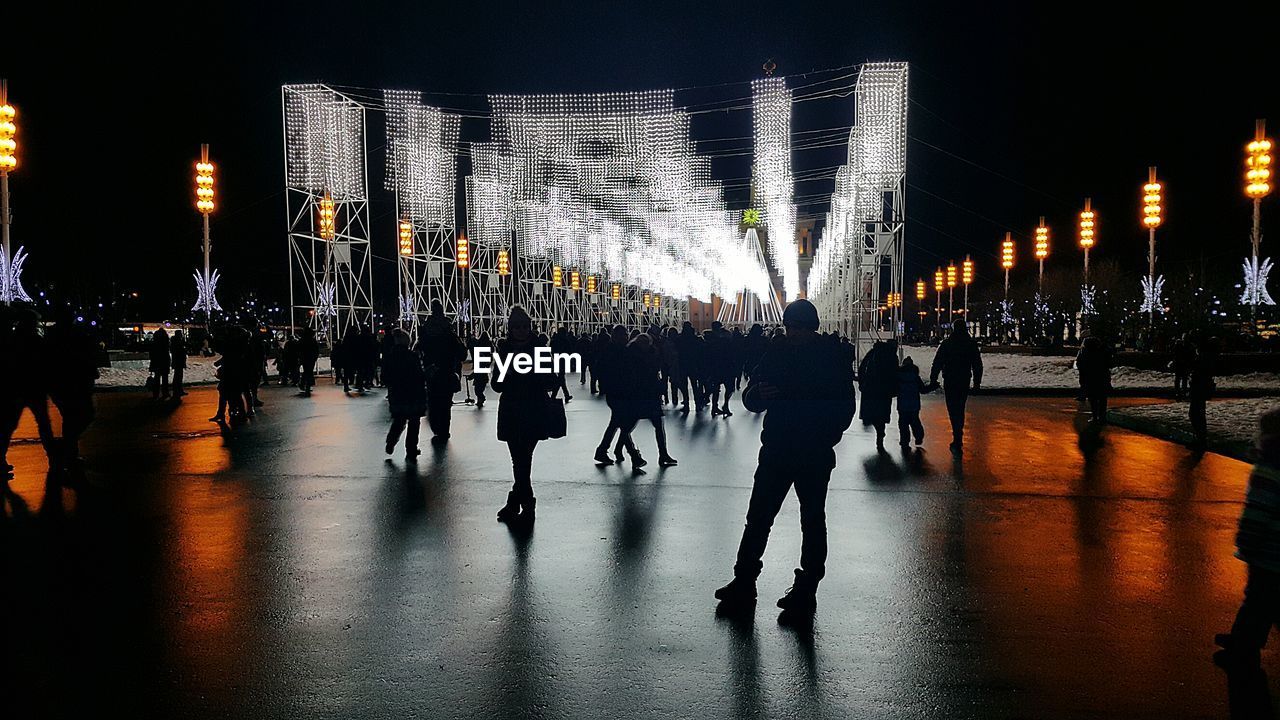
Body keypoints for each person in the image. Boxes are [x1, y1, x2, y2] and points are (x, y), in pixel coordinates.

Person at [714, 299, 856, 619]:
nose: (793, 333)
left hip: (811, 453)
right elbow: (752, 395)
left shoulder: (829, 357)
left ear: (812, 329)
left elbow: (844, 407)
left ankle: (805, 587)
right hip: (779, 448)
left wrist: (824, 437)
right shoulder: (778, 351)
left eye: (799, 328)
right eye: (790, 327)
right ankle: (745, 580)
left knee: (811, 521)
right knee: (760, 517)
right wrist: (757, 396)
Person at [1215, 409, 1280, 668]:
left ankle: (1243, 646)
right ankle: (1244, 640)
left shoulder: (1269, 467)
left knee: (1257, 598)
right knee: (1264, 598)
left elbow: (1259, 509)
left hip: (1268, 548)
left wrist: (1247, 539)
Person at [492, 306, 557, 523]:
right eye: (516, 327)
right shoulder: (504, 350)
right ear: (510, 329)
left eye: (524, 326)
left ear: (530, 327)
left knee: (522, 459)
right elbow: (496, 385)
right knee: (519, 460)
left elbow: (551, 380)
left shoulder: (539, 349)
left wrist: (534, 374)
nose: (520, 330)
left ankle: (520, 503)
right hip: (512, 409)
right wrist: (507, 374)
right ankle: (521, 503)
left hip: (532, 409)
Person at [2, 309, 57, 478]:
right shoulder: (35, 341)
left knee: (9, 426)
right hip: (33, 388)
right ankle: (54, 459)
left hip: (18, 388)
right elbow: (45, 363)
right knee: (43, 424)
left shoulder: (13, 340)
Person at [44, 308, 99, 472]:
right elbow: (84, 357)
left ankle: (68, 451)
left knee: (70, 418)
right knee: (83, 415)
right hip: (75, 382)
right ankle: (68, 450)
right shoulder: (75, 335)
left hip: (61, 384)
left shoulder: (53, 336)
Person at [929, 320, 983, 453]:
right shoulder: (970, 344)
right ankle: (958, 434)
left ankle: (957, 435)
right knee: (960, 407)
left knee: (953, 408)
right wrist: (977, 383)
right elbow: (977, 365)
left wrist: (933, 378)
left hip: (950, 379)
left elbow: (938, 362)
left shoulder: (947, 344)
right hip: (963, 379)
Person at [416, 300, 466, 444]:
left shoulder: (426, 329)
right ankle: (443, 430)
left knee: (433, 400)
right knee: (445, 403)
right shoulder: (448, 331)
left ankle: (436, 426)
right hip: (447, 370)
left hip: (431, 371)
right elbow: (461, 352)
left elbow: (419, 348)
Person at [594, 325, 642, 465]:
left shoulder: (611, 350)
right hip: (619, 392)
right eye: (622, 335)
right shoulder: (618, 351)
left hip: (615, 392)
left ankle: (603, 450)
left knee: (616, 422)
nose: (625, 337)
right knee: (621, 423)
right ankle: (633, 454)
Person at [383, 330, 426, 459]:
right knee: (414, 422)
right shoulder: (412, 356)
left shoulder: (390, 357)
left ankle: (391, 442)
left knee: (399, 420)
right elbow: (419, 375)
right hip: (413, 393)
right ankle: (411, 449)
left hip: (397, 393)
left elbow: (385, 377)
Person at [857, 340, 898, 449]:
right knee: (882, 413)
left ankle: (876, 427)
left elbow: (862, 367)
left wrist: (862, 382)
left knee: (873, 411)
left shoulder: (873, 352)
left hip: (870, 388)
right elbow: (894, 373)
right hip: (884, 389)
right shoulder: (892, 356)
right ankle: (881, 432)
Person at [1189, 337, 1219, 449]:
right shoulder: (1207, 359)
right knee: (1198, 414)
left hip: (1198, 388)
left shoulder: (1202, 360)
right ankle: (1200, 439)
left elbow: (1199, 373)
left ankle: (1200, 439)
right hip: (1200, 388)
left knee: (1196, 414)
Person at [895, 356, 931, 449]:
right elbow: (923, 390)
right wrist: (933, 386)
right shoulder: (915, 377)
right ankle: (919, 437)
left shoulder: (899, 377)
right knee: (915, 422)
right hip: (914, 404)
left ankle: (904, 441)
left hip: (902, 405)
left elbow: (894, 390)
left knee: (903, 424)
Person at [1075, 336, 1112, 424]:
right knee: (1102, 398)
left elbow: (1079, 365)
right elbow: (1108, 364)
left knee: (1093, 399)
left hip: (1089, 379)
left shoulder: (1084, 352)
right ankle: (1102, 416)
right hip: (1101, 378)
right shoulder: (1103, 352)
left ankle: (1095, 416)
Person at [549, 326, 574, 402]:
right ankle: (557, 396)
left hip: (556, 360)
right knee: (561, 379)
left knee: (561, 378)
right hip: (563, 361)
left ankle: (565, 395)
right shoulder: (565, 341)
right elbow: (569, 351)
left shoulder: (554, 340)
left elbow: (551, 350)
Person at [148, 328, 172, 400]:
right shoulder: (165, 344)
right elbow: (166, 354)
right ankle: (165, 393)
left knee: (157, 378)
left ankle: (156, 394)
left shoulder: (154, 344)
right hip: (164, 363)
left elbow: (151, 354)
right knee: (165, 379)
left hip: (156, 363)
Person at [297, 328, 319, 396]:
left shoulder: (302, 340)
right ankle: (307, 385)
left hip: (304, 358)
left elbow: (298, 349)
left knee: (307, 371)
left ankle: (304, 384)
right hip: (311, 358)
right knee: (309, 371)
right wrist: (315, 357)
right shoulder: (312, 340)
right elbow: (316, 350)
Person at [1172, 334, 1195, 400]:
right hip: (1181, 364)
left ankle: (1181, 392)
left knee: (1181, 379)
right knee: (1180, 379)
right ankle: (1180, 392)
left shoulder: (1184, 345)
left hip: (1183, 364)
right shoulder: (1184, 346)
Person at [170, 330, 188, 397]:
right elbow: (181, 351)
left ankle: (178, 390)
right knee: (178, 376)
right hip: (179, 361)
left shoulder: (175, 342)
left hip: (177, 361)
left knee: (178, 376)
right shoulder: (178, 343)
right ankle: (178, 390)